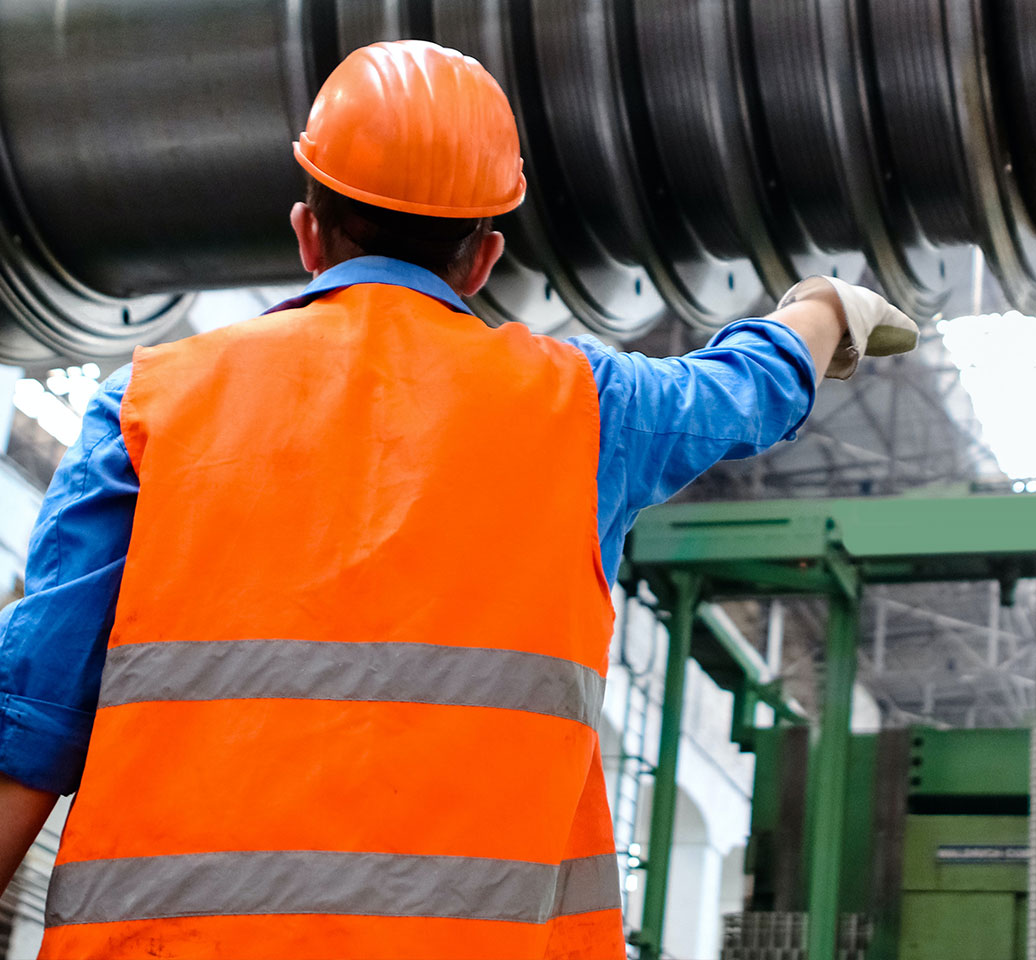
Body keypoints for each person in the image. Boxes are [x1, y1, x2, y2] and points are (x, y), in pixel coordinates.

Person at [0, 40, 916, 960]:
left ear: (307, 233)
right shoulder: (589, 408)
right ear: (483, 259)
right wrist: (824, 309)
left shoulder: (150, 404)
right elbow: (744, 389)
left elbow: (31, 722)